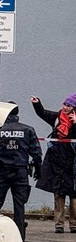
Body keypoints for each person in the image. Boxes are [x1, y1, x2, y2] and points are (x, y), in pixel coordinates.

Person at [0, 103, 42, 241]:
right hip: (20, 173)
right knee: (19, 207)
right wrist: (38, 171)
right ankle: (20, 239)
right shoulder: (27, 130)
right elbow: (36, 154)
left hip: (0, 173)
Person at [31, 93, 76, 233]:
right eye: (65, 104)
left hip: (73, 163)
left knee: (74, 195)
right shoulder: (57, 117)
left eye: (69, 105)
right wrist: (37, 103)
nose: (65, 107)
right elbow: (43, 113)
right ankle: (59, 225)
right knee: (58, 194)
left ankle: (74, 225)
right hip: (57, 162)